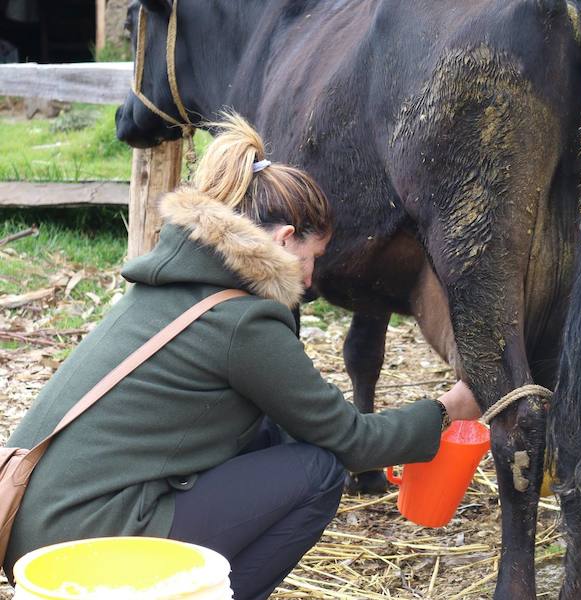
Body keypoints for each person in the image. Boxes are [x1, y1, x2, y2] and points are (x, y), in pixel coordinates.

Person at [3, 113, 481, 599]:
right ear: (282, 239)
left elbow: (300, 423)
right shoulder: (243, 323)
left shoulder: (171, 287)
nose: (312, 280)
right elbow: (351, 443)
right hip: (87, 541)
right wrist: (450, 408)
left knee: (273, 436)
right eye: (313, 257)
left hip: (35, 525)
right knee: (319, 472)